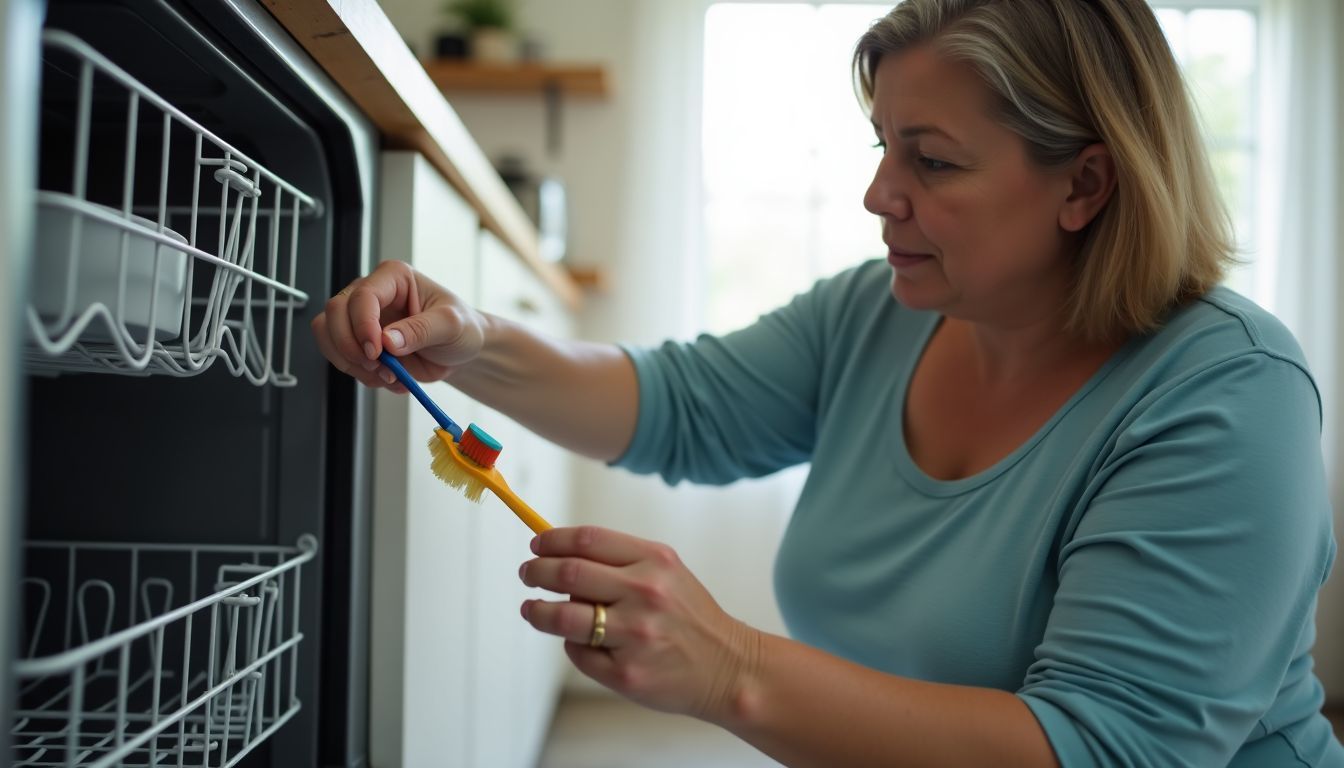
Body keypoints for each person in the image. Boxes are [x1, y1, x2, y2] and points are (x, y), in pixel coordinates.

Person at [313, 0, 1344, 764]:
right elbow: (677, 407)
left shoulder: (1228, 394)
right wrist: (471, 339)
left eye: (931, 162)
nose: (877, 194)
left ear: (1084, 183)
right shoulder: (881, 311)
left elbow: (1106, 749)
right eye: (884, 146)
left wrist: (732, 670)